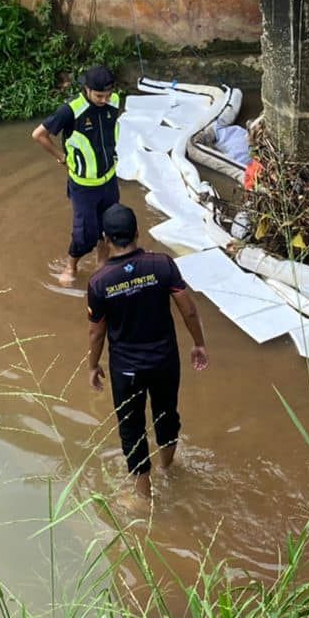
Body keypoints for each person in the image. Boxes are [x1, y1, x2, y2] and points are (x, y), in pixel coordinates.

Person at [86, 203, 208, 502]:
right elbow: (188, 309)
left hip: (126, 369)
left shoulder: (100, 283)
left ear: (106, 238)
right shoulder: (162, 265)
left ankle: (143, 497)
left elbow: (97, 331)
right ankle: (168, 469)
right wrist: (198, 343)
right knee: (167, 415)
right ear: (138, 232)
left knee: (132, 428)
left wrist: (93, 365)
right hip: (165, 361)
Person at [32, 65, 123, 286]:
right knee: (85, 234)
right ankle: (71, 266)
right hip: (83, 185)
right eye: (99, 95)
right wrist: (62, 158)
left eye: (108, 94)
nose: (104, 99)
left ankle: (102, 264)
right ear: (86, 89)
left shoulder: (115, 102)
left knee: (109, 225)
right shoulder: (71, 111)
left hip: (109, 179)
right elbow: (39, 135)